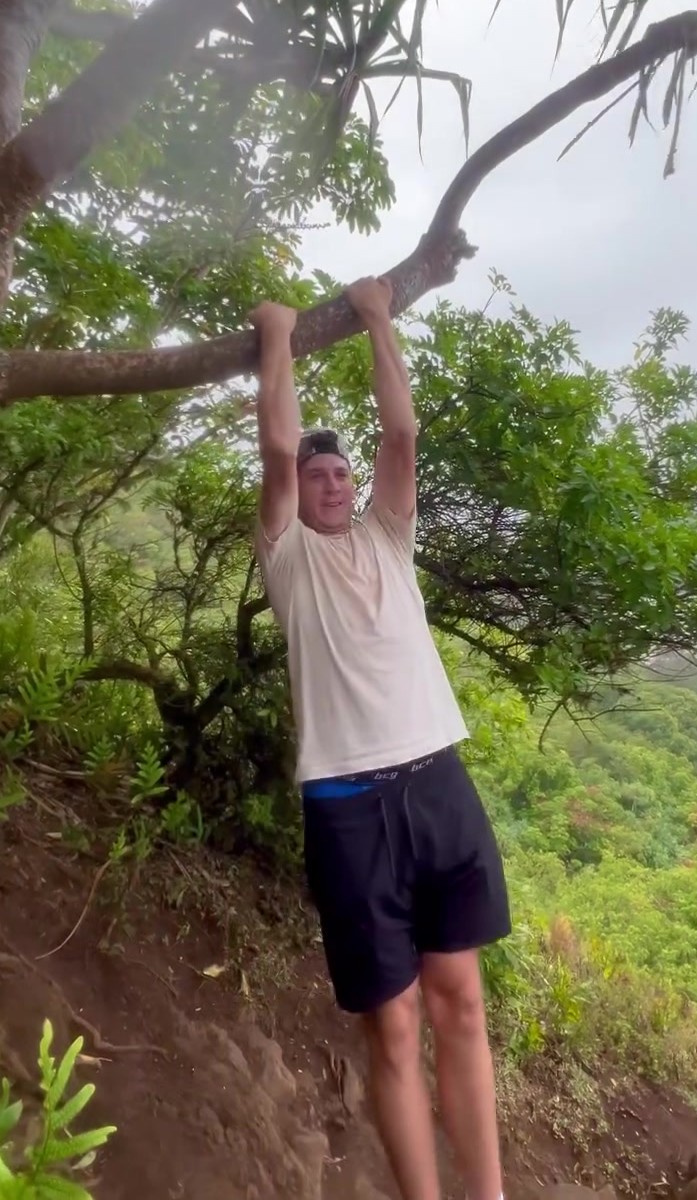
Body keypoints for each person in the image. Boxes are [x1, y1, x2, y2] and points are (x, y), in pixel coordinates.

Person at [250, 278, 511, 1200]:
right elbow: (278, 446)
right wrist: (277, 337)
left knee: (462, 1005)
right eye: (318, 476)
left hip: (438, 783)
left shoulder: (388, 539)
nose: (331, 482)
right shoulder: (288, 558)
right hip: (348, 805)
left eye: (339, 473)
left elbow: (402, 435)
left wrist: (378, 319)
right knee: (393, 1027)